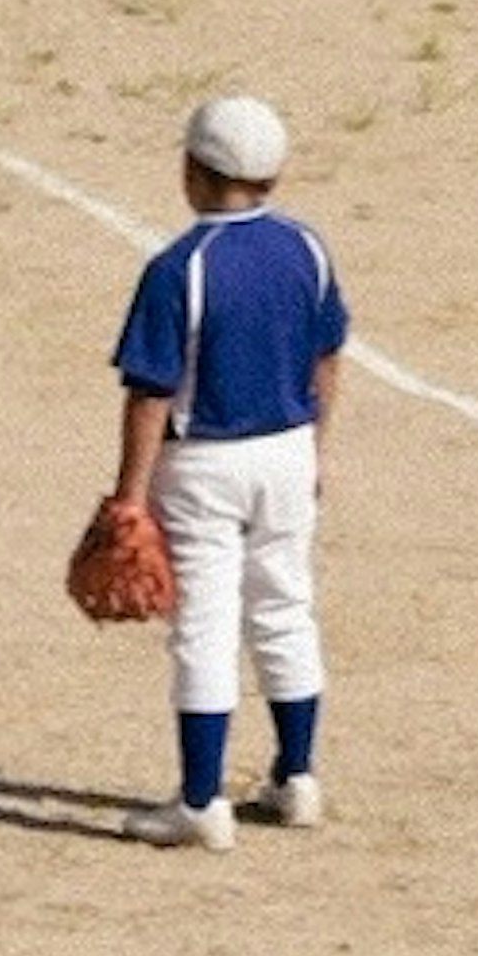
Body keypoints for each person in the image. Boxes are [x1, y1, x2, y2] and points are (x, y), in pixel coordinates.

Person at [102, 92, 348, 849]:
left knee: (205, 626)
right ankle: (296, 778)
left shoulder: (180, 267)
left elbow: (151, 392)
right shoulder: (307, 249)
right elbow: (327, 354)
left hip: (203, 463)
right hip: (288, 448)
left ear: (194, 171)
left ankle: (202, 803)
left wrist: (129, 498)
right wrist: (318, 449)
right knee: (284, 608)